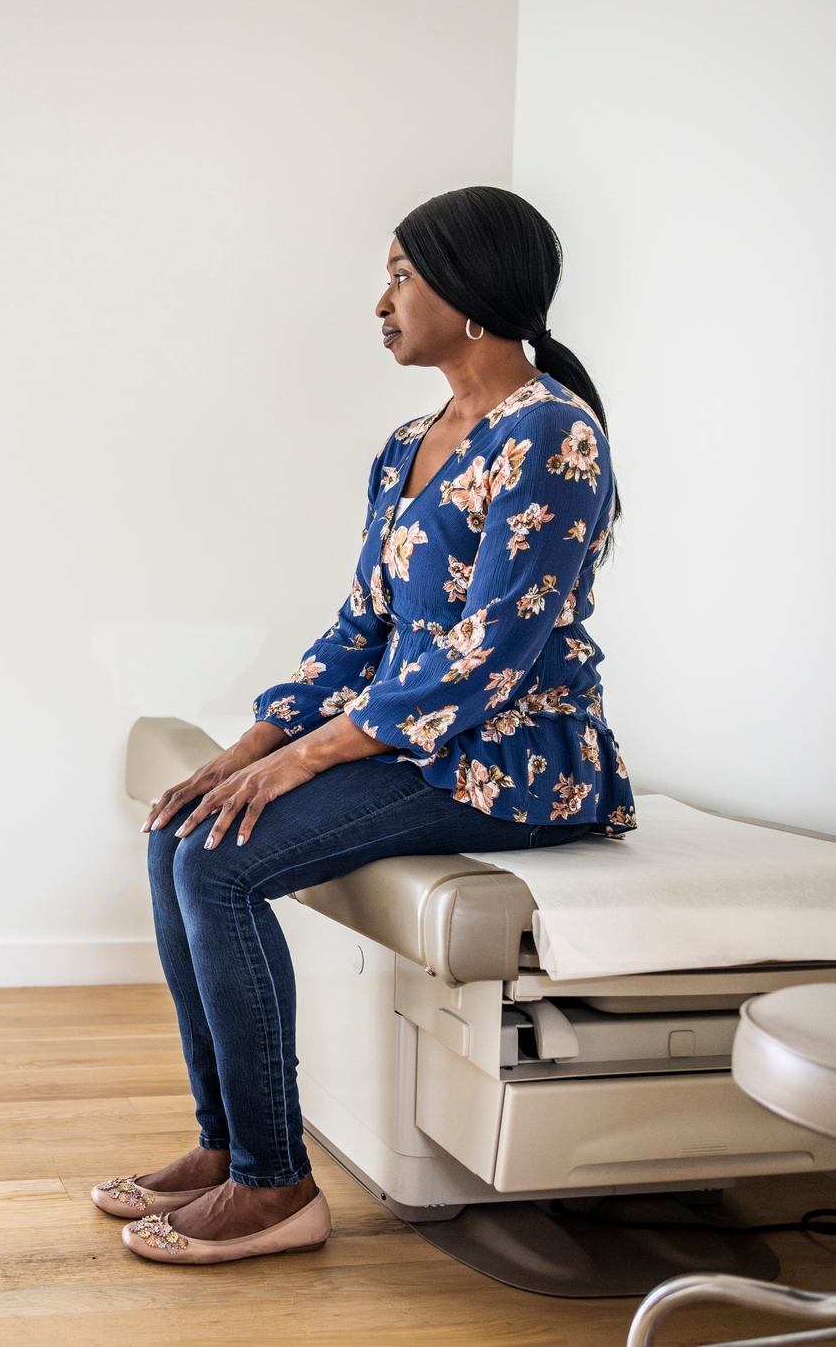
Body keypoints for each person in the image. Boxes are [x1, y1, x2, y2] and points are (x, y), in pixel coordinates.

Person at [103, 186, 635, 1265]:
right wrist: (255, 740)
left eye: (400, 274)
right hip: (421, 740)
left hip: (514, 759)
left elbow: (491, 653)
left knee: (218, 863)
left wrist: (314, 751)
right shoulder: (407, 443)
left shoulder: (552, 435)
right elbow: (362, 626)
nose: (380, 301)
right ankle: (225, 1145)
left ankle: (273, 1188)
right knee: (177, 825)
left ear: (472, 294)